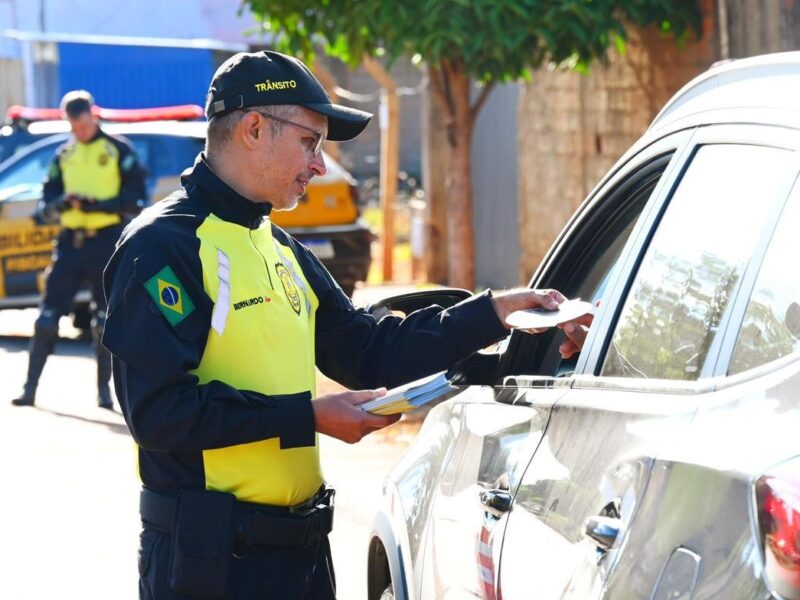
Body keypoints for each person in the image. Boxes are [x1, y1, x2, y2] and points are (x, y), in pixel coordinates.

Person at [101, 51, 587, 600]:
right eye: (310, 142)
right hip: (210, 560)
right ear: (255, 128)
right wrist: (305, 417)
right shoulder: (162, 247)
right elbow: (160, 413)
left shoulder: (277, 244)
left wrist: (497, 312)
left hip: (300, 552)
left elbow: (367, 350)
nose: (318, 164)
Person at [12, 90, 146, 409]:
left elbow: (136, 198)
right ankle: (29, 389)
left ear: (93, 116)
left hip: (106, 241)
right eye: (74, 126)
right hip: (71, 243)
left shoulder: (118, 149)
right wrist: (60, 204)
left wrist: (98, 205)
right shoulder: (63, 155)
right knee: (46, 318)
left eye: (84, 124)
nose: (80, 131)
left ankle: (104, 392)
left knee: (104, 321)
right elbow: (45, 202)